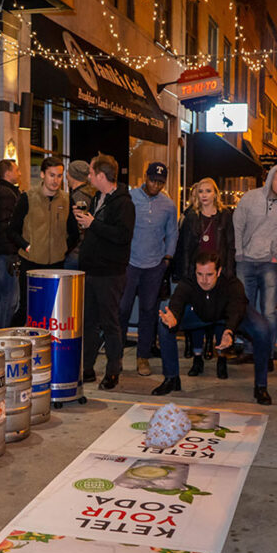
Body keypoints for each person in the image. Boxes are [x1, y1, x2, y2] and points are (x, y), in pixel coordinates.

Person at [152, 252, 272, 405]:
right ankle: (171, 378)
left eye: (209, 274)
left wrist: (229, 331)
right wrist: (173, 317)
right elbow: (178, 300)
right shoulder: (188, 282)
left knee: (262, 329)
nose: (204, 280)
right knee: (164, 322)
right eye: (200, 274)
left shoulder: (232, 283)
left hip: (230, 314)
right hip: (201, 314)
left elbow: (236, 309)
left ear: (219, 271)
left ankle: (261, 386)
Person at [76, 154, 135, 390]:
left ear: (101, 175)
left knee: (110, 323)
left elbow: (123, 235)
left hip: (110, 273)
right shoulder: (97, 198)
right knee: (88, 322)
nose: (88, 177)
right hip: (90, 270)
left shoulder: (123, 203)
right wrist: (84, 223)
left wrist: (94, 224)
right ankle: (87, 367)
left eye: (91, 173)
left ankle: (113, 371)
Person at [233, 164, 277, 367]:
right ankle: (248, 349)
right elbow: (237, 225)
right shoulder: (250, 198)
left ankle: (267, 354)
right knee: (245, 308)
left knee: (269, 311)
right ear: (270, 179)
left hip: (270, 264)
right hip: (246, 262)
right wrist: (239, 252)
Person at [119, 162, 177, 377]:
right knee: (122, 309)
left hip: (154, 266)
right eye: (153, 180)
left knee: (149, 312)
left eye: (161, 182)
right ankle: (116, 356)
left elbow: (172, 232)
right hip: (130, 263)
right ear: (146, 177)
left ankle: (143, 357)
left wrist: (168, 258)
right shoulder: (130, 197)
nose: (156, 185)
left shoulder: (168, 205)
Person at [173, 178, 235, 374]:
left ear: (215, 193)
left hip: (219, 273)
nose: (205, 195)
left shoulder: (225, 215)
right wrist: (185, 274)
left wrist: (228, 272)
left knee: (220, 317)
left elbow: (231, 246)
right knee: (197, 316)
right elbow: (183, 248)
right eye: (201, 191)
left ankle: (221, 359)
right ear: (196, 195)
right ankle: (197, 358)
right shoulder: (191, 216)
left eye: (208, 191)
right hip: (197, 274)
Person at [9, 156, 79, 326]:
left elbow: (74, 233)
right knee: (27, 308)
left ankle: (47, 347)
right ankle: (14, 342)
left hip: (56, 264)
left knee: (53, 309)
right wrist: (27, 247)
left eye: (59, 176)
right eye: (52, 175)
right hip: (31, 263)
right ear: (42, 175)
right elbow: (12, 230)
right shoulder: (27, 197)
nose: (56, 180)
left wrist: (62, 250)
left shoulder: (66, 199)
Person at [0, 159, 21, 329]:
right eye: (17, 170)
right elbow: (5, 224)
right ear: (8, 173)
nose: (19, 173)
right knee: (8, 297)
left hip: (3, 250)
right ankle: (3, 333)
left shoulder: (2, 191)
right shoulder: (6, 194)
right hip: (6, 252)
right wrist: (17, 242)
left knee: (2, 294)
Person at [64, 160, 95, 270]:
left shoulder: (77, 198)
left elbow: (78, 227)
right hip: (88, 252)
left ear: (71, 175)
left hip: (76, 252)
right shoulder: (93, 193)